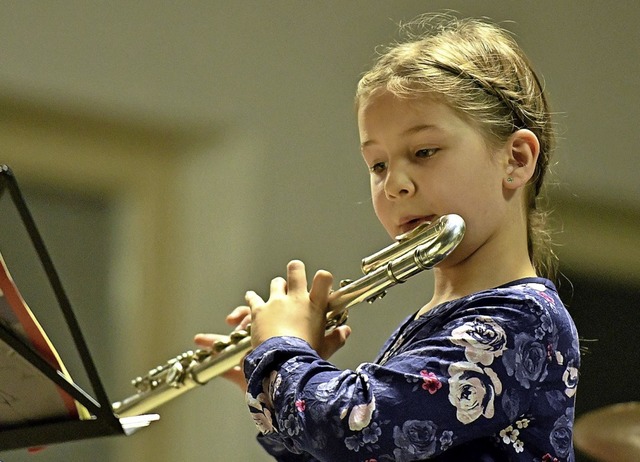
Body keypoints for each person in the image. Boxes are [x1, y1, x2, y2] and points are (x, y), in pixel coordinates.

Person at [195, 13, 580, 462]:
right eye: (378, 165)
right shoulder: (440, 318)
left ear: (515, 158)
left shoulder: (521, 318)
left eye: (423, 152)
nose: (395, 183)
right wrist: (274, 386)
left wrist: (285, 356)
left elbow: (355, 430)